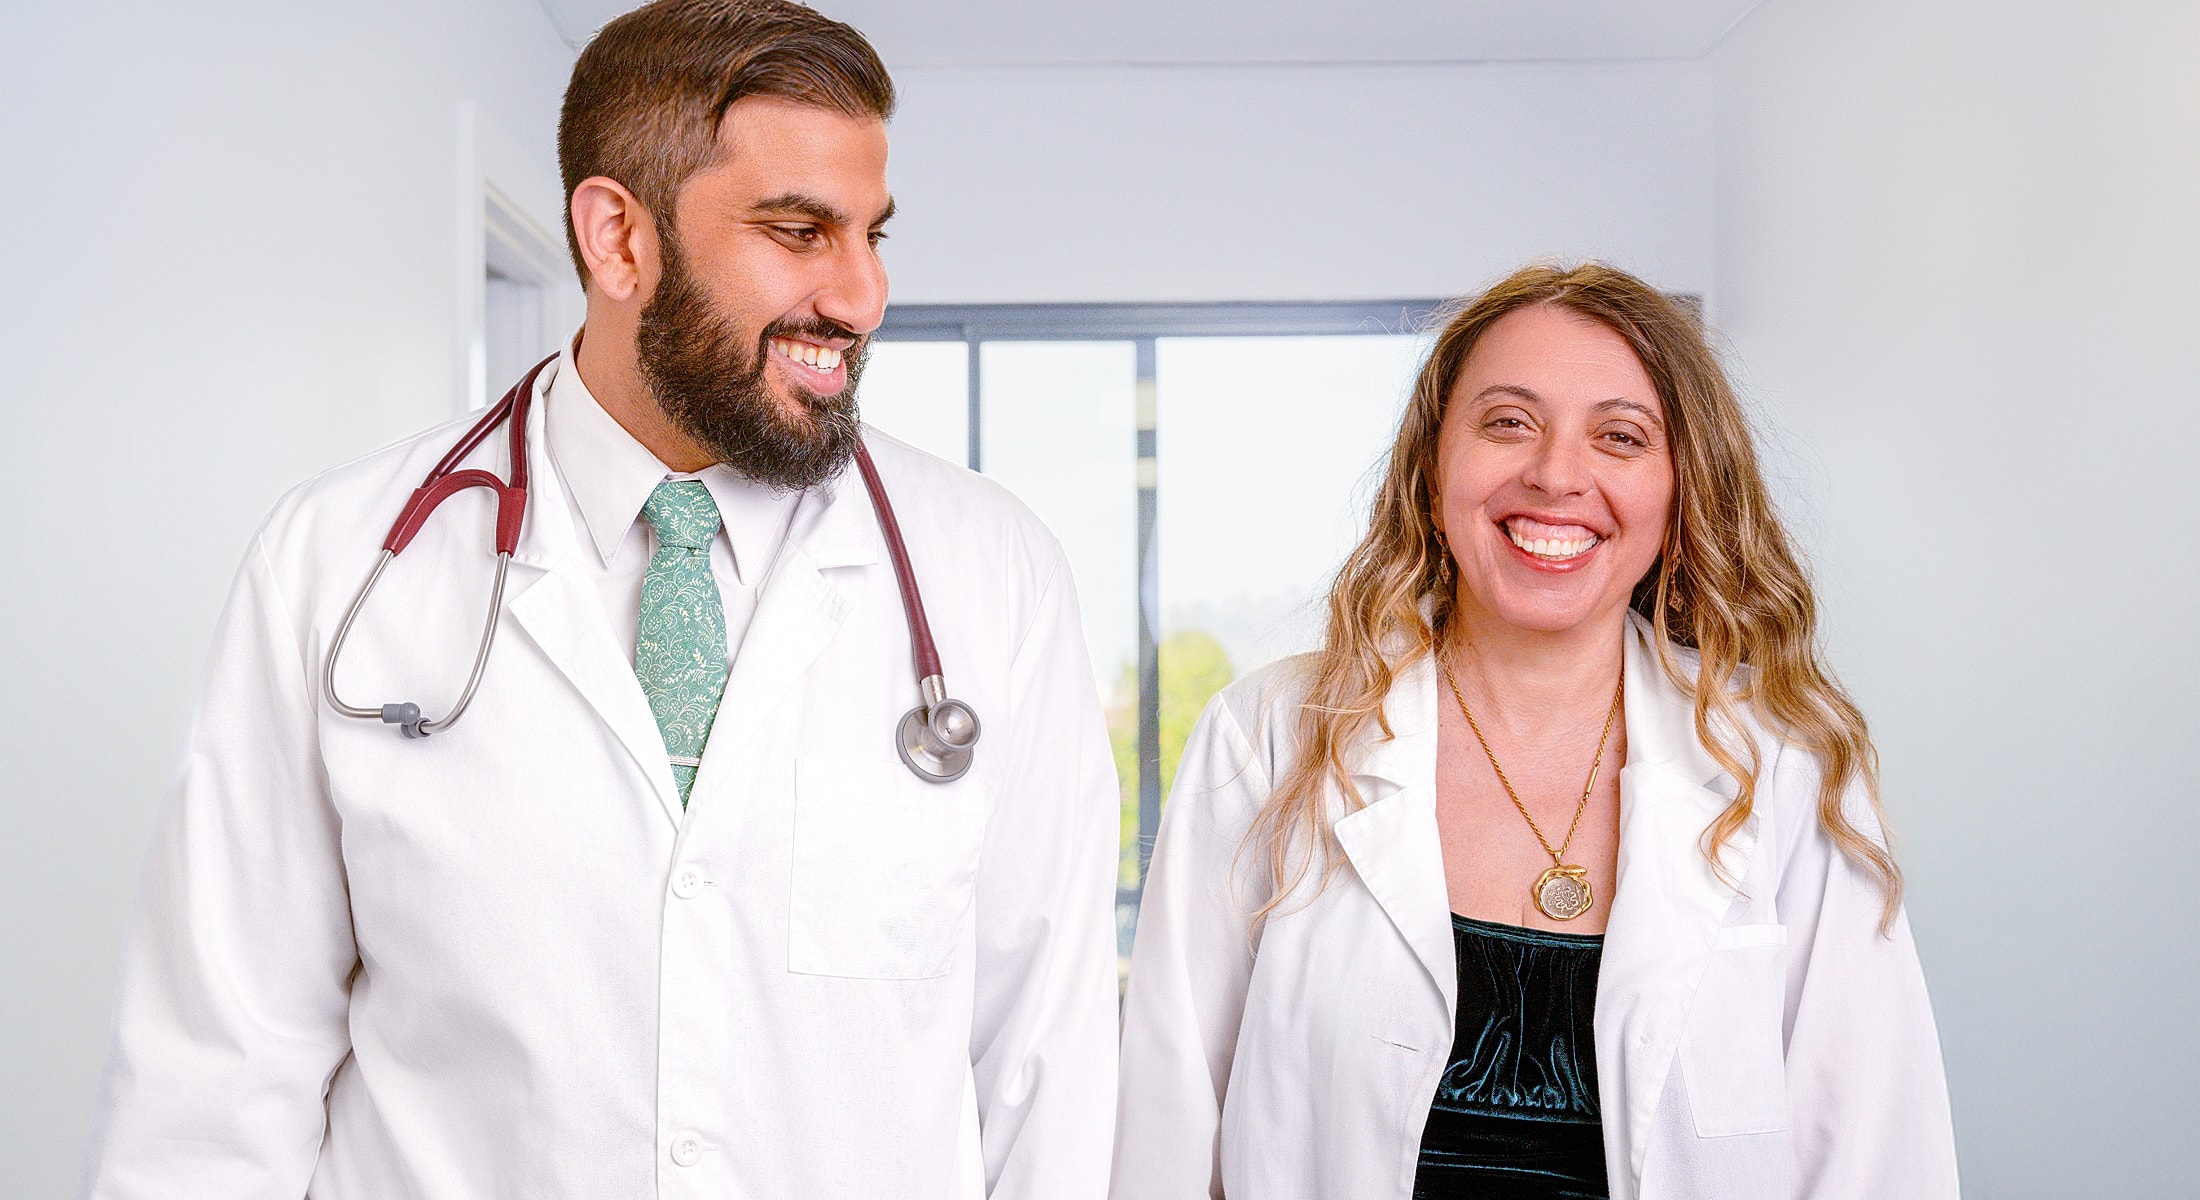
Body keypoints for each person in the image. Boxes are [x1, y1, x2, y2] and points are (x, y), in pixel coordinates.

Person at [80, 3, 1120, 1196]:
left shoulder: (995, 576)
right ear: (617, 239)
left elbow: (1045, 1076)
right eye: (800, 231)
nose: (863, 295)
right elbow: (216, 1080)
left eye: (873, 235)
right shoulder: (335, 563)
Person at [1112, 263, 1958, 1199]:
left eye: (1620, 437)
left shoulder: (1785, 767)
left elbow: (1878, 1155)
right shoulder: (1270, 739)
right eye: (1508, 422)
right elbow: (1166, 1130)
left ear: (1681, 492)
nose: (1557, 474)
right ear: (1433, 471)